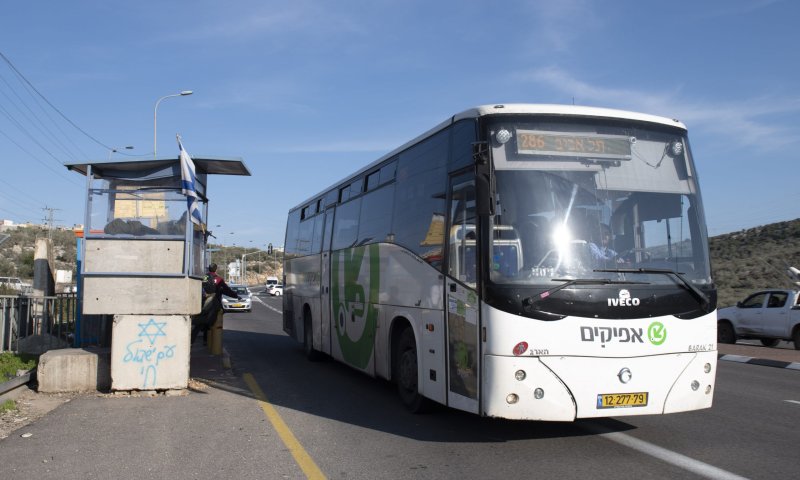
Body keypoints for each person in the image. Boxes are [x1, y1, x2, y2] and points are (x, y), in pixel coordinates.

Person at [191, 263, 240, 344]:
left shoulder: (204, 277)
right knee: (212, 323)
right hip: (214, 304)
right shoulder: (219, 279)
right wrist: (236, 296)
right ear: (216, 269)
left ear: (208, 269)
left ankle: (196, 341)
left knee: (199, 324)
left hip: (202, 304)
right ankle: (210, 343)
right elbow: (226, 290)